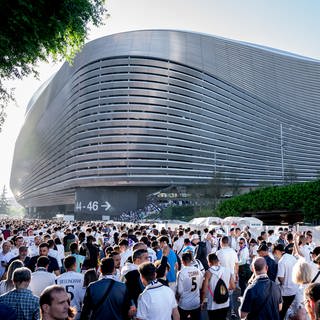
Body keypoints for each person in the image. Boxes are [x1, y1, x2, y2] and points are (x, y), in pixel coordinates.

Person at [201, 253, 235, 320]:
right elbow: (233, 286)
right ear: (218, 260)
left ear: (209, 262)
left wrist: (201, 301)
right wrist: (223, 289)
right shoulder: (227, 270)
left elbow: (204, 290)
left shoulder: (208, 273)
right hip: (225, 302)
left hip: (213, 305)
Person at [273, 244, 298, 320]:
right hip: (294, 289)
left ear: (277, 251)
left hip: (285, 291)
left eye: (275, 253)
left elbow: (281, 278)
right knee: (286, 311)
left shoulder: (281, 261)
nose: (275, 256)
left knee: (280, 312)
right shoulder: (292, 257)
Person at [176, 252, 203, 320]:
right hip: (196, 302)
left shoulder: (181, 273)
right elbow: (200, 286)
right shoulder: (198, 270)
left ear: (182, 261)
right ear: (191, 260)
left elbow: (179, 291)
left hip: (184, 304)